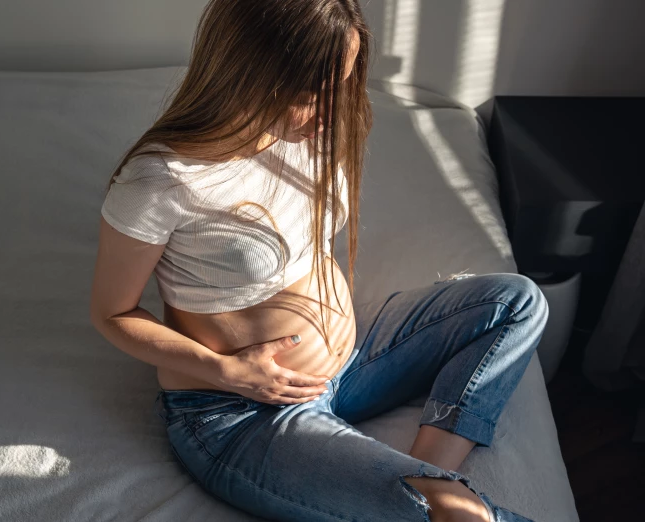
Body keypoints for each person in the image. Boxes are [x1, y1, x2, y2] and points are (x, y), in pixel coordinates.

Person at [90, 1, 547, 520]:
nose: (334, 109)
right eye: (314, 91)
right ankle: (426, 494)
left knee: (516, 301)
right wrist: (225, 370)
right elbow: (112, 312)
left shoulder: (311, 134)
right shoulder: (162, 178)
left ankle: (422, 471)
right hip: (242, 411)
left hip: (353, 363)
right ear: (250, 71)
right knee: (460, 515)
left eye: (345, 82)